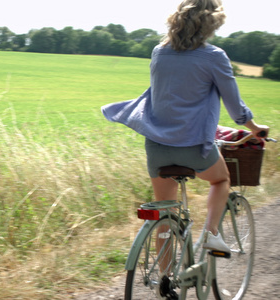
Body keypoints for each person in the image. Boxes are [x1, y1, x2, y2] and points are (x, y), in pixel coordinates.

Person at [101, 0, 269, 256]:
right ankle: (211, 235)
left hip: (157, 146)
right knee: (222, 179)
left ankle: (165, 282)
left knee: (165, 214)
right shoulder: (214, 56)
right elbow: (235, 108)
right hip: (193, 146)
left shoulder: (159, 51)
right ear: (211, 25)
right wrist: (254, 127)